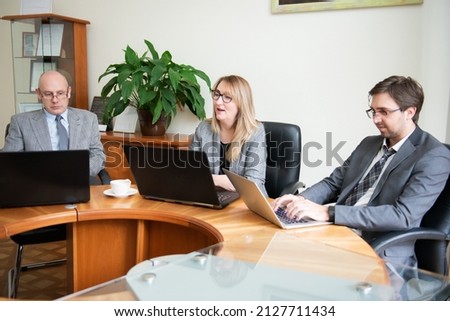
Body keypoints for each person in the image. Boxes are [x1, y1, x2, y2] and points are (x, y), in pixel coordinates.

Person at [271, 75, 450, 269]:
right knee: (274, 253)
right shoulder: (369, 143)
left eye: (384, 112)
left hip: (380, 252)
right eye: (373, 111)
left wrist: (329, 212)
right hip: (337, 234)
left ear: (410, 111)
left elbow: (403, 216)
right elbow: (333, 183)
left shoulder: (434, 156)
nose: (375, 119)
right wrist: (300, 201)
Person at [3, 70, 106, 181]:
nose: (55, 100)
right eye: (48, 94)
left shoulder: (88, 119)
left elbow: (98, 155)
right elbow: (10, 162)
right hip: (38, 185)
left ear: (69, 92)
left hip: (78, 182)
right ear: (39, 94)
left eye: (60, 93)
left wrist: (78, 170)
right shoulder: (21, 122)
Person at [190, 75, 267, 196]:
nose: (218, 101)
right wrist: (220, 180)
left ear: (241, 103)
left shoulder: (255, 132)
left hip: (247, 203)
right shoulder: (203, 128)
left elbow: (254, 182)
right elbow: (191, 172)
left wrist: (209, 179)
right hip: (210, 197)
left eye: (227, 97)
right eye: (217, 94)